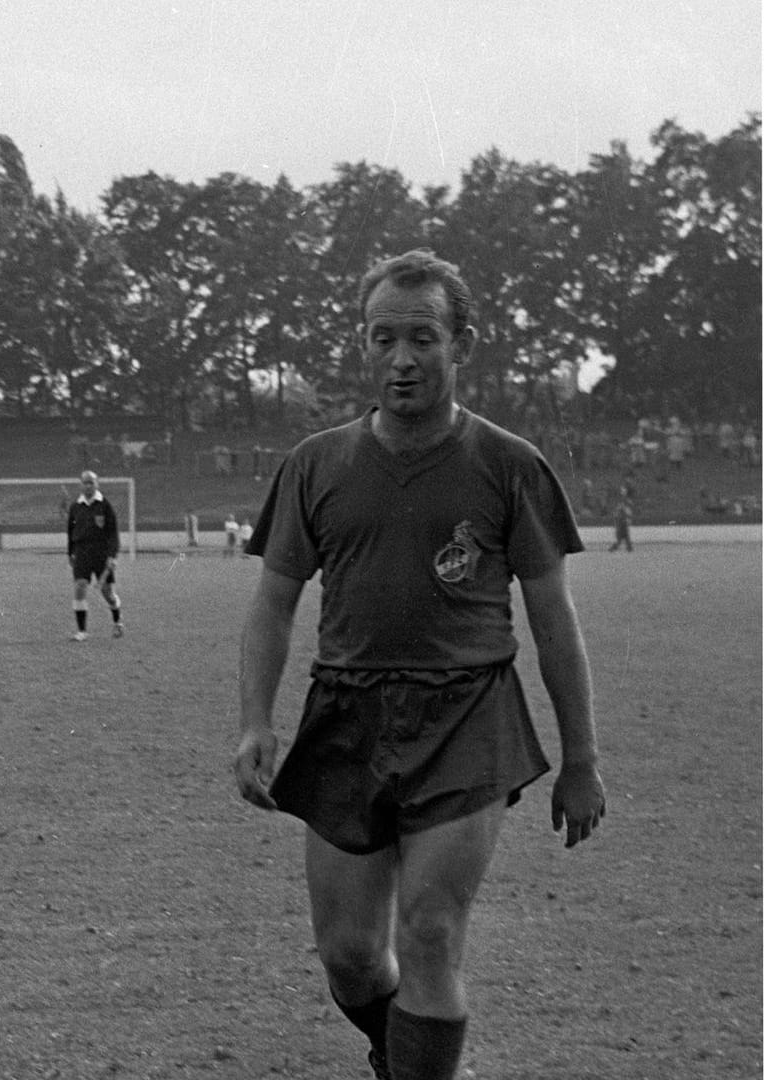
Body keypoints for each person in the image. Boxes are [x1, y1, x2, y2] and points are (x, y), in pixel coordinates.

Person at [232, 250, 606, 1080]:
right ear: (363, 347)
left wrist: (580, 761)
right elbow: (272, 605)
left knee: (430, 931)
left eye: (423, 338)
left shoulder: (510, 465)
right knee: (352, 957)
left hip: (467, 713)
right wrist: (258, 721)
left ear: (460, 344)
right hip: (347, 715)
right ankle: (407, 1058)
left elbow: (554, 620)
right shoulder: (316, 464)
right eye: (384, 338)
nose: (402, 359)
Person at [65, 470, 123, 640]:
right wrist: (70, 553)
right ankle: (82, 632)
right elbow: (70, 532)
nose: (88, 485)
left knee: (108, 594)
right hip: (82, 553)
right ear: (80, 485)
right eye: (85, 482)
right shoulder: (75, 507)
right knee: (80, 586)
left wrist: (112, 556)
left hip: (102, 553)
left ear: (97, 484)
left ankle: (117, 621)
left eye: (91, 482)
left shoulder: (105, 505)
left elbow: (113, 534)